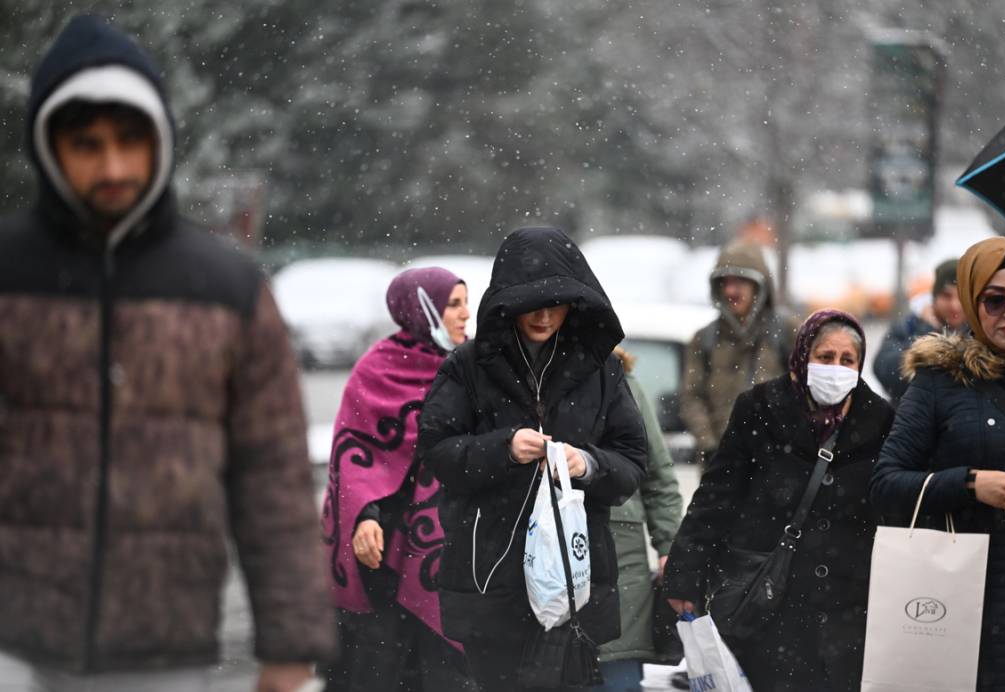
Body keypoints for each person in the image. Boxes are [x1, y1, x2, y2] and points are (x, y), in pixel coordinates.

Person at [0, 15, 332, 691]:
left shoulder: (228, 289)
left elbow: (272, 480)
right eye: (87, 144)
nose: (114, 165)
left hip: (163, 649)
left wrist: (291, 647)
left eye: (131, 140)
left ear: (161, 141)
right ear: (48, 145)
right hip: (13, 642)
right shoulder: (8, 273)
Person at [417, 226, 648, 691]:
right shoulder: (468, 366)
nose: (544, 315)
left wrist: (586, 464)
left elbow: (631, 462)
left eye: (556, 303)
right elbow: (437, 452)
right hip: (490, 579)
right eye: (531, 304)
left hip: (574, 582)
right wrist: (504, 449)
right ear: (508, 303)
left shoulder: (600, 370)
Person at [871, 237, 1005, 691]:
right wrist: (969, 483)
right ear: (970, 301)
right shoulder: (939, 381)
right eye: (995, 300)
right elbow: (886, 483)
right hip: (975, 605)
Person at [665, 310, 895, 691]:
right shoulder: (759, 408)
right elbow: (716, 497)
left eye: (847, 360)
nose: (835, 368)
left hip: (846, 611)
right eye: (825, 357)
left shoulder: (881, 421)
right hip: (767, 604)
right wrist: (685, 573)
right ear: (803, 356)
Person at [321, 267, 475, 692]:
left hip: (452, 555)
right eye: (454, 305)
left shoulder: (470, 370)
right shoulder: (377, 368)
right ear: (422, 310)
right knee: (378, 671)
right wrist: (365, 514)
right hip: (383, 556)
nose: (466, 314)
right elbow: (352, 455)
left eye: (466, 302)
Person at [594, 348, 683, 692]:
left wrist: (669, 547)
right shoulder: (527, 382)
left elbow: (658, 476)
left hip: (621, 565)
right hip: (545, 564)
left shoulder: (623, 384)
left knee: (617, 678)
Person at [680, 241, 795, 467]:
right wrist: (711, 446)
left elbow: (805, 393)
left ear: (759, 287)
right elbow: (691, 398)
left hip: (777, 465)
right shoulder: (704, 340)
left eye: (740, 282)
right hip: (720, 468)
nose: (731, 291)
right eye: (725, 282)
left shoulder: (785, 332)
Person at [873, 258, 966, 405]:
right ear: (934, 298)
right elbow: (886, 372)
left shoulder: (981, 331)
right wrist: (928, 334)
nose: (954, 305)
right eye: (947, 296)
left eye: (961, 297)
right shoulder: (909, 326)